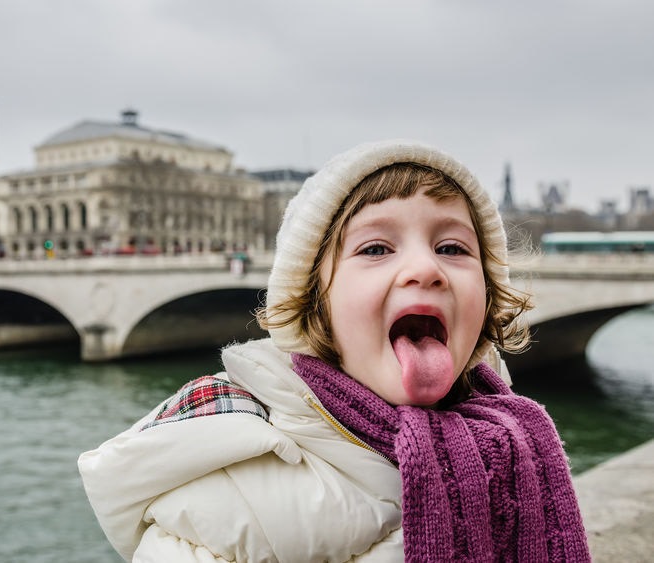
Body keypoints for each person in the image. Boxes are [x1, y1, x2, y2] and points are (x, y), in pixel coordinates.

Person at [78, 140, 591, 562]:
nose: (425, 269)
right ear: (313, 302)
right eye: (375, 248)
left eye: (452, 248)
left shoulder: (510, 441)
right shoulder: (225, 494)